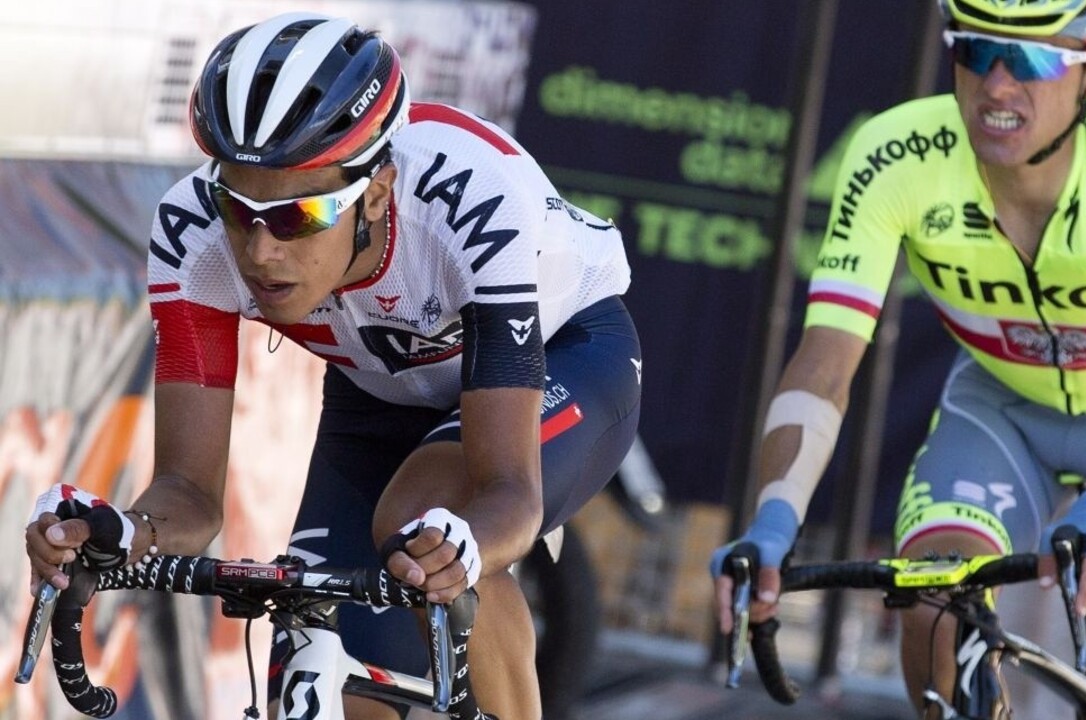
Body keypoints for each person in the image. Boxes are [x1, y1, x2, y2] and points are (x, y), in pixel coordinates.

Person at [23, 12, 641, 720]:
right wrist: (125, 533)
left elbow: (507, 492)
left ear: (376, 192)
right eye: (237, 208)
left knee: (430, 522)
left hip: (562, 353)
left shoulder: (471, 201)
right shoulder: (191, 236)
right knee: (316, 663)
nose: (261, 251)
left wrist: (463, 547)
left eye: (298, 218)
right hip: (376, 392)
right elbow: (188, 493)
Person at [710, 1, 1086, 718]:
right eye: (974, 51)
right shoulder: (896, 153)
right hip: (1001, 409)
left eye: (1032, 59)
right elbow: (824, 366)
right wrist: (774, 519)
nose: (996, 84)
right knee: (935, 602)